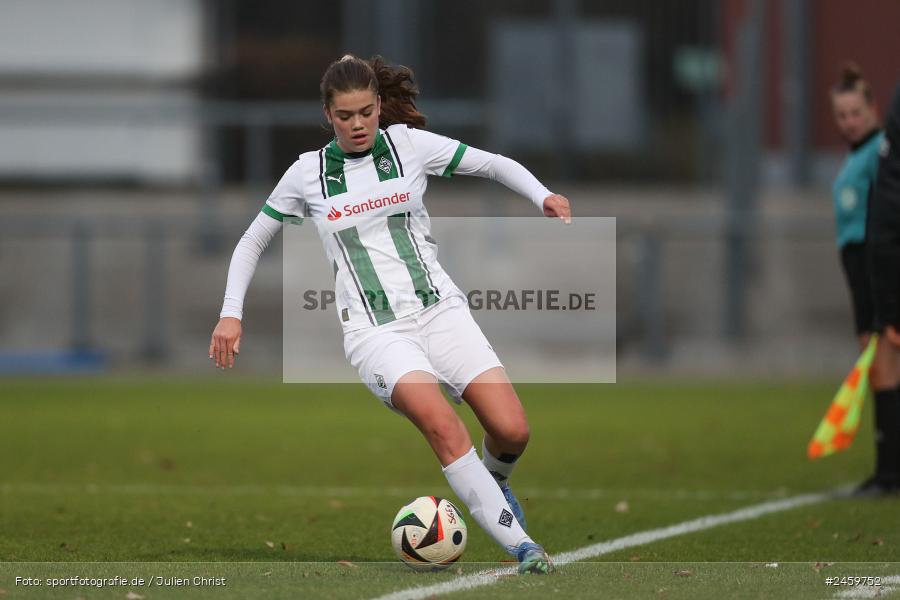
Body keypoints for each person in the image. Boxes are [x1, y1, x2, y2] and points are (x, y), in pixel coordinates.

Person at [209, 55, 571, 571]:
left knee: (513, 431)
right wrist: (231, 314)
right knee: (443, 426)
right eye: (344, 115)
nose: (357, 124)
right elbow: (252, 240)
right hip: (377, 333)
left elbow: (492, 163)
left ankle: (493, 484)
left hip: (440, 310)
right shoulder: (307, 174)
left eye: (365, 111)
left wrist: (543, 195)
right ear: (327, 116)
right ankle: (524, 547)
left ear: (380, 106)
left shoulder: (409, 146)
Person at [862, 72, 900, 496]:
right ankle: (888, 470)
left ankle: (889, 472)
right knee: (882, 361)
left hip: (882, 258)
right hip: (875, 263)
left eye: (856, 112)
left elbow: (885, 216)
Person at [829, 63, 883, 351]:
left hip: (871, 254)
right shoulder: (856, 155)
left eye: (855, 113)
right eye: (841, 115)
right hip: (854, 256)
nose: (849, 122)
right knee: (869, 346)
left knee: (879, 348)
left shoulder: (879, 150)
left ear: (872, 109)